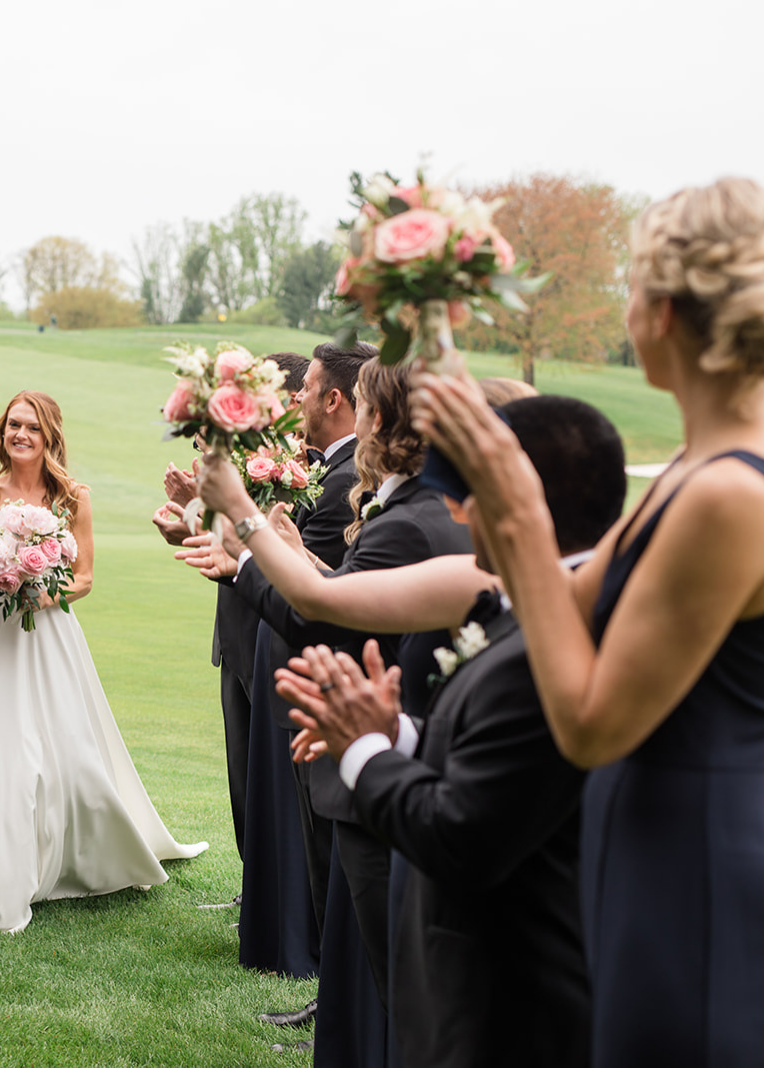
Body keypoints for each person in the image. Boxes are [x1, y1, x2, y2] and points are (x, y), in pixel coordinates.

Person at [412, 177, 764, 1067]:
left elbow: (590, 721)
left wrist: (519, 505)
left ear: (669, 312)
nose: (629, 310)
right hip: (643, 830)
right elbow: (560, 607)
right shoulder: (694, 469)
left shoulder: (731, 494)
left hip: (698, 843)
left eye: (636, 289)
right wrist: (474, 443)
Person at [274, 395, 627, 1068]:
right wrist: (401, 733)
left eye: (472, 488)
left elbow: (463, 833)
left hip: (512, 992)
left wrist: (366, 751)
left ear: (524, 498)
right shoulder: (527, 613)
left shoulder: (550, 648)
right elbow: (497, 764)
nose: (460, 509)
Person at [199, 356, 470, 1065]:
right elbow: (347, 595)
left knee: (405, 996)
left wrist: (242, 514)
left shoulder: (412, 519)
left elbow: (326, 621)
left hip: (390, 759)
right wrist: (299, 559)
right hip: (392, 746)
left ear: (375, 418)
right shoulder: (416, 509)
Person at [0, 391, 206, 933]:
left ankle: (75, 855)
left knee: (71, 756)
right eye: (13, 425)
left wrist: (35, 589)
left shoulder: (73, 497)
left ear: (50, 437)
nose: (20, 435)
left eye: (32, 427)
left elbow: (85, 578)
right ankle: (0, 875)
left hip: (48, 637)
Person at [153, 351, 308, 915]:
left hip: (278, 634)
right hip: (237, 633)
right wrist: (189, 513)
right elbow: (233, 545)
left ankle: (282, 902)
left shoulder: (298, 469)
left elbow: (279, 549)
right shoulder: (252, 463)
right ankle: (254, 890)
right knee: (243, 779)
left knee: (277, 786)